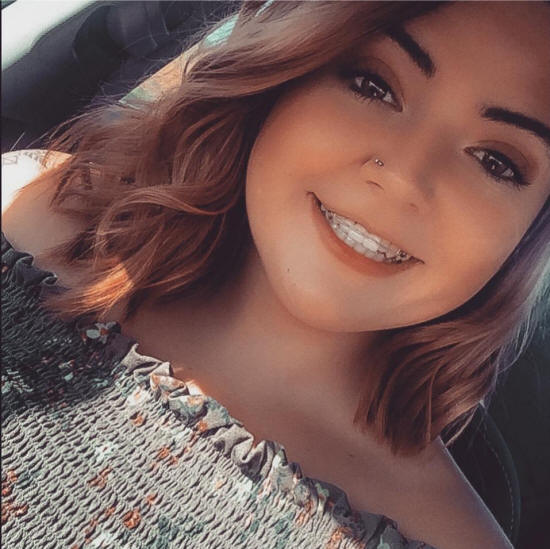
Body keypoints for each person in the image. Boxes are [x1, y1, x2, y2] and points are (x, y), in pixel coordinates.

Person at [2, 1, 549, 548]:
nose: (406, 176)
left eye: (495, 161)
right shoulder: (25, 203)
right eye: (374, 86)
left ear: (527, 237)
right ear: (287, 69)